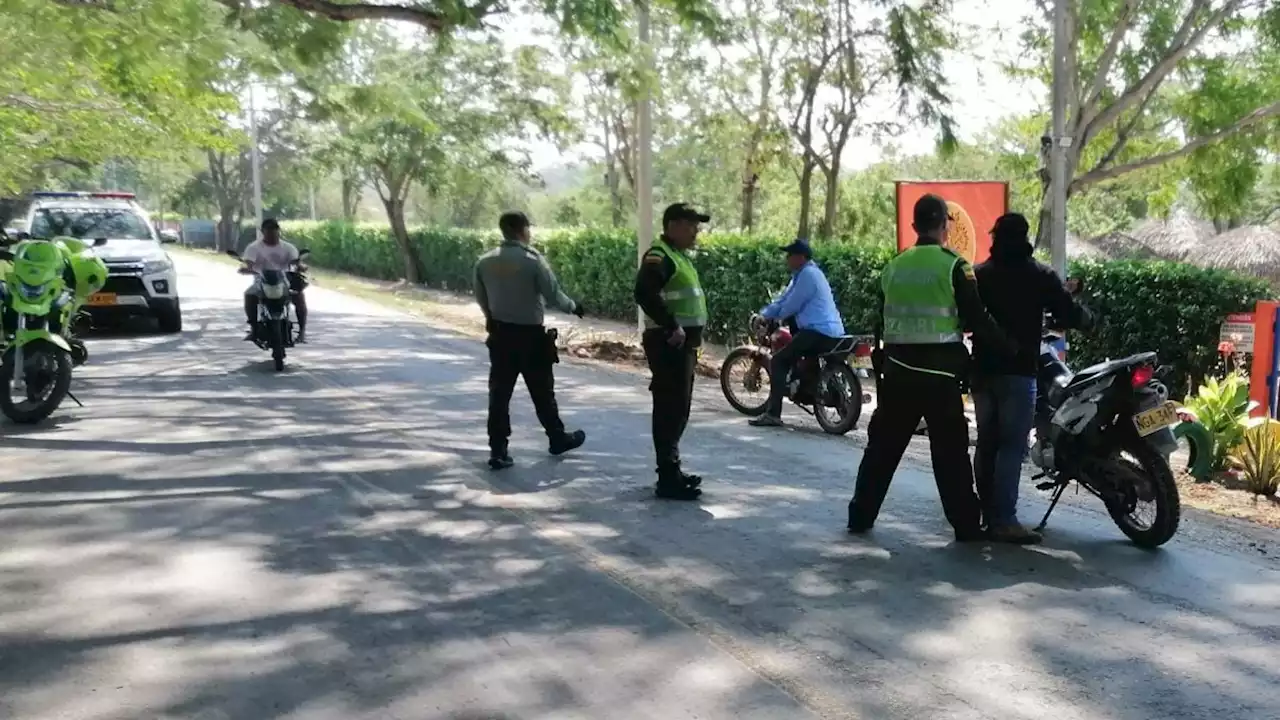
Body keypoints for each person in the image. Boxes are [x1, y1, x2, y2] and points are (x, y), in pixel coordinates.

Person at [847, 193, 1013, 541]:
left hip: (897, 374)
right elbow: (977, 319)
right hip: (940, 378)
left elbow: (882, 320)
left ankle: (860, 516)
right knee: (951, 455)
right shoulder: (954, 266)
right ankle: (967, 526)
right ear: (944, 227)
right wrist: (1010, 348)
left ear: (913, 227)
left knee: (881, 451)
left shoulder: (894, 267)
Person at [971, 212, 1091, 544]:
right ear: (1026, 239)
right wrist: (1089, 318)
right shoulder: (1040, 276)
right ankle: (1004, 520)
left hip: (982, 373)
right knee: (1011, 446)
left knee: (987, 444)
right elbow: (1068, 313)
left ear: (996, 238)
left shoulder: (979, 275)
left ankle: (986, 513)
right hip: (1019, 373)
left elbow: (966, 318)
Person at [474, 211, 587, 470]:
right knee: (542, 392)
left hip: (501, 336)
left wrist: (490, 317)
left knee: (499, 394)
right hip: (530, 338)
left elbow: (481, 297)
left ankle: (498, 449)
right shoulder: (533, 261)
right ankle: (557, 438)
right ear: (523, 230)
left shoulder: (484, 262)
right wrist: (574, 307)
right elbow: (553, 293)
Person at [635, 203, 710, 501]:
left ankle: (672, 469)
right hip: (669, 344)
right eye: (691, 225)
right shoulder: (659, 256)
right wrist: (671, 326)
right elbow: (644, 292)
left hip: (681, 346)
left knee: (678, 407)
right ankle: (667, 476)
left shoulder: (678, 256)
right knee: (670, 407)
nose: (696, 232)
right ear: (674, 225)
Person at [749, 238, 846, 427]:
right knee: (807, 360)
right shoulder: (804, 274)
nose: (787, 259)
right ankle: (844, 411)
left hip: (817, 331)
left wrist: (771, 317)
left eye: (790, 255)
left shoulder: (808, 275)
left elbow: (791, 304)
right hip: (831, 331)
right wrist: (766, 313)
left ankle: (773, 414)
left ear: (801, 257)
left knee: (778, 360)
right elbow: (784, 298)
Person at [241, 218, 308, 343]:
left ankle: (302, 332)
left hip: (284, 280)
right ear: (263, 232)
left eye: (274, 231)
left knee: (299, 296)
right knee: (249, 295)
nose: (272, 235)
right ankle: (254, 329)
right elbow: (248, 264)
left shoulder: (288, 247)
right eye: (269, 232)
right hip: (261, 280)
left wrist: (301, 267)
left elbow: (296, 262)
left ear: (279, 231)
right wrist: (246, 269)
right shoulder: (254, 247)